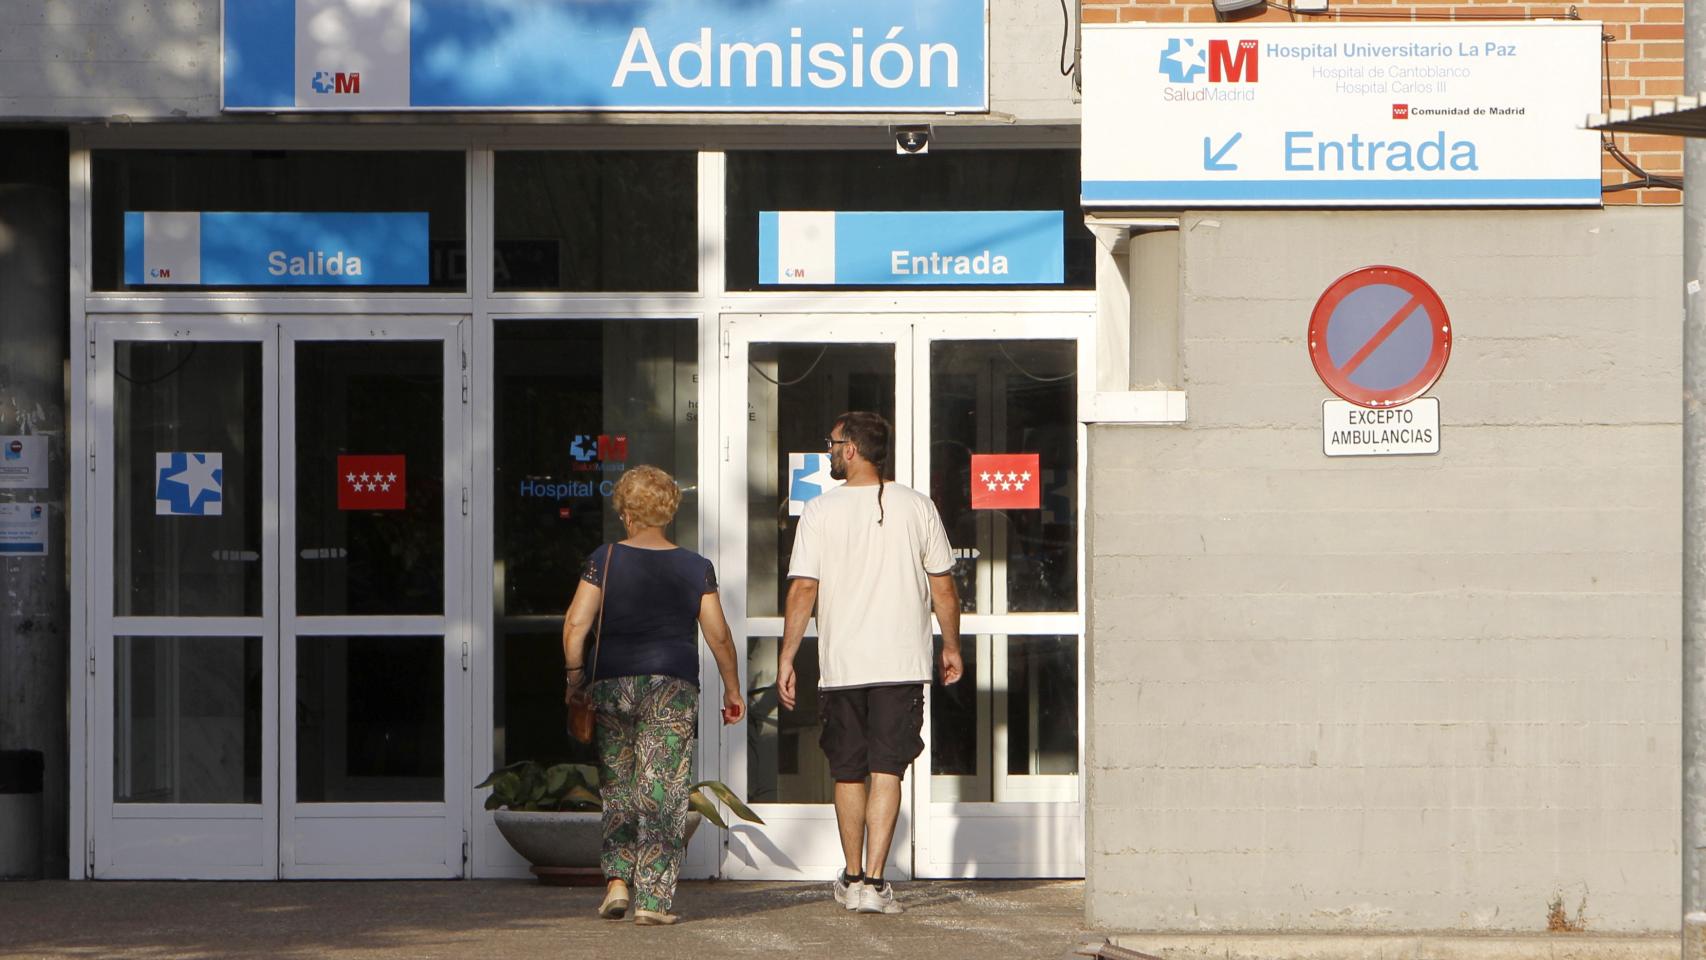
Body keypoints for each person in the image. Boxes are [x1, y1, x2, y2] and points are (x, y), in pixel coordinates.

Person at [778, 411, 964, 916]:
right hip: (901, 663)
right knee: (887, 770)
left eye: (833, 443)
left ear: (852, 450)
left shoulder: (820, 512)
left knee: (848, 771)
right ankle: (875, 883)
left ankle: (854, 875)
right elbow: (942, 584)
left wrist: (789, 655)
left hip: (843, 665)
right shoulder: (918, 507)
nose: (829, 452)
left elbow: (804, 589)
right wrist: (950, 644)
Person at [562, 465, 744, 926]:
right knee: (660, 788)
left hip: (610, 683)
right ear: (669, 511)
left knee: (618, 786)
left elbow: (575, 625)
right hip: (671, 685)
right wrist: (732, 687)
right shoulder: (694, 567)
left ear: (624, 512)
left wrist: (574, 678)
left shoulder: (604, 559)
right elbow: (718, 635)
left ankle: (617, 882)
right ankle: (654, 900)